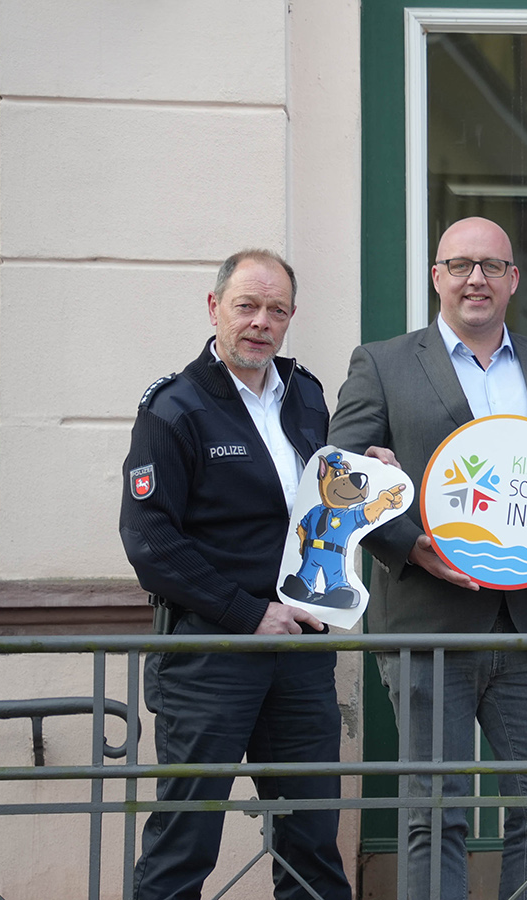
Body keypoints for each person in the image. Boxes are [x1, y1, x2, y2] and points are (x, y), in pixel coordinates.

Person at [327, 217, 527, 900]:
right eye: (461, 265)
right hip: (427, 624)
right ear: (436, 277)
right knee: (434, 813)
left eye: (492, 266)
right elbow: (341, 475)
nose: (476, 279)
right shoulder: (381, 363)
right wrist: (408, 542)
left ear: (513, 280)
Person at [119, 250, 351, 900]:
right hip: (210, 652)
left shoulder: (306, 395)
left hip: (300, 651)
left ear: (291, 317)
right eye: (246, 306)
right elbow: (149, 541)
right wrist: (249, 613)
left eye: (276, 310)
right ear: (214, 307)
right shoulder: (174, 407)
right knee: (184, 845)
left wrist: (365, 471)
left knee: (311, 842)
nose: (260, 322)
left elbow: (318, 503)